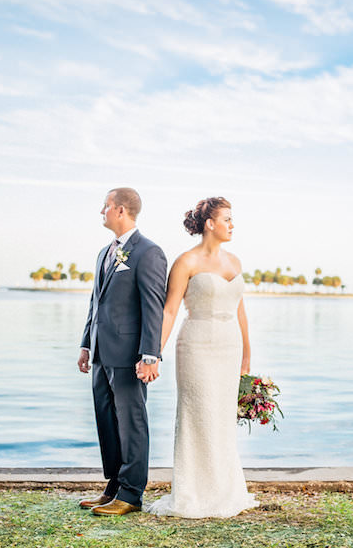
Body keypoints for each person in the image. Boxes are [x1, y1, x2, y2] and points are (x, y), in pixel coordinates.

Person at [145, 196, 258, 518]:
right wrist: (153, 355)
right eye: (228, 219)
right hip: (196, 345)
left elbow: (241, 312)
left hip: (229, 345)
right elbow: (169, 311)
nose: (232, 225)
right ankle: (192, 492)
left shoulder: (234, 262)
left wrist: (247, 357)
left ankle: (225, 490)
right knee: (198, 416)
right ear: (210, 224)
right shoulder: (186, 262)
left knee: (221, 417)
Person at [76, 188, 167, 516]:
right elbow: (95, 302)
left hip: (130, 356)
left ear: (121, 210)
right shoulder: (104, 253)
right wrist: (86, 343)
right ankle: (114, 487)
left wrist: (149, 355)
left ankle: (131, 494)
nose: (102, 210)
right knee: (108, 422)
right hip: (101, 353)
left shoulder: (149, 252)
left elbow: (152, 306)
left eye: (106, 205)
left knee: (132, 423)